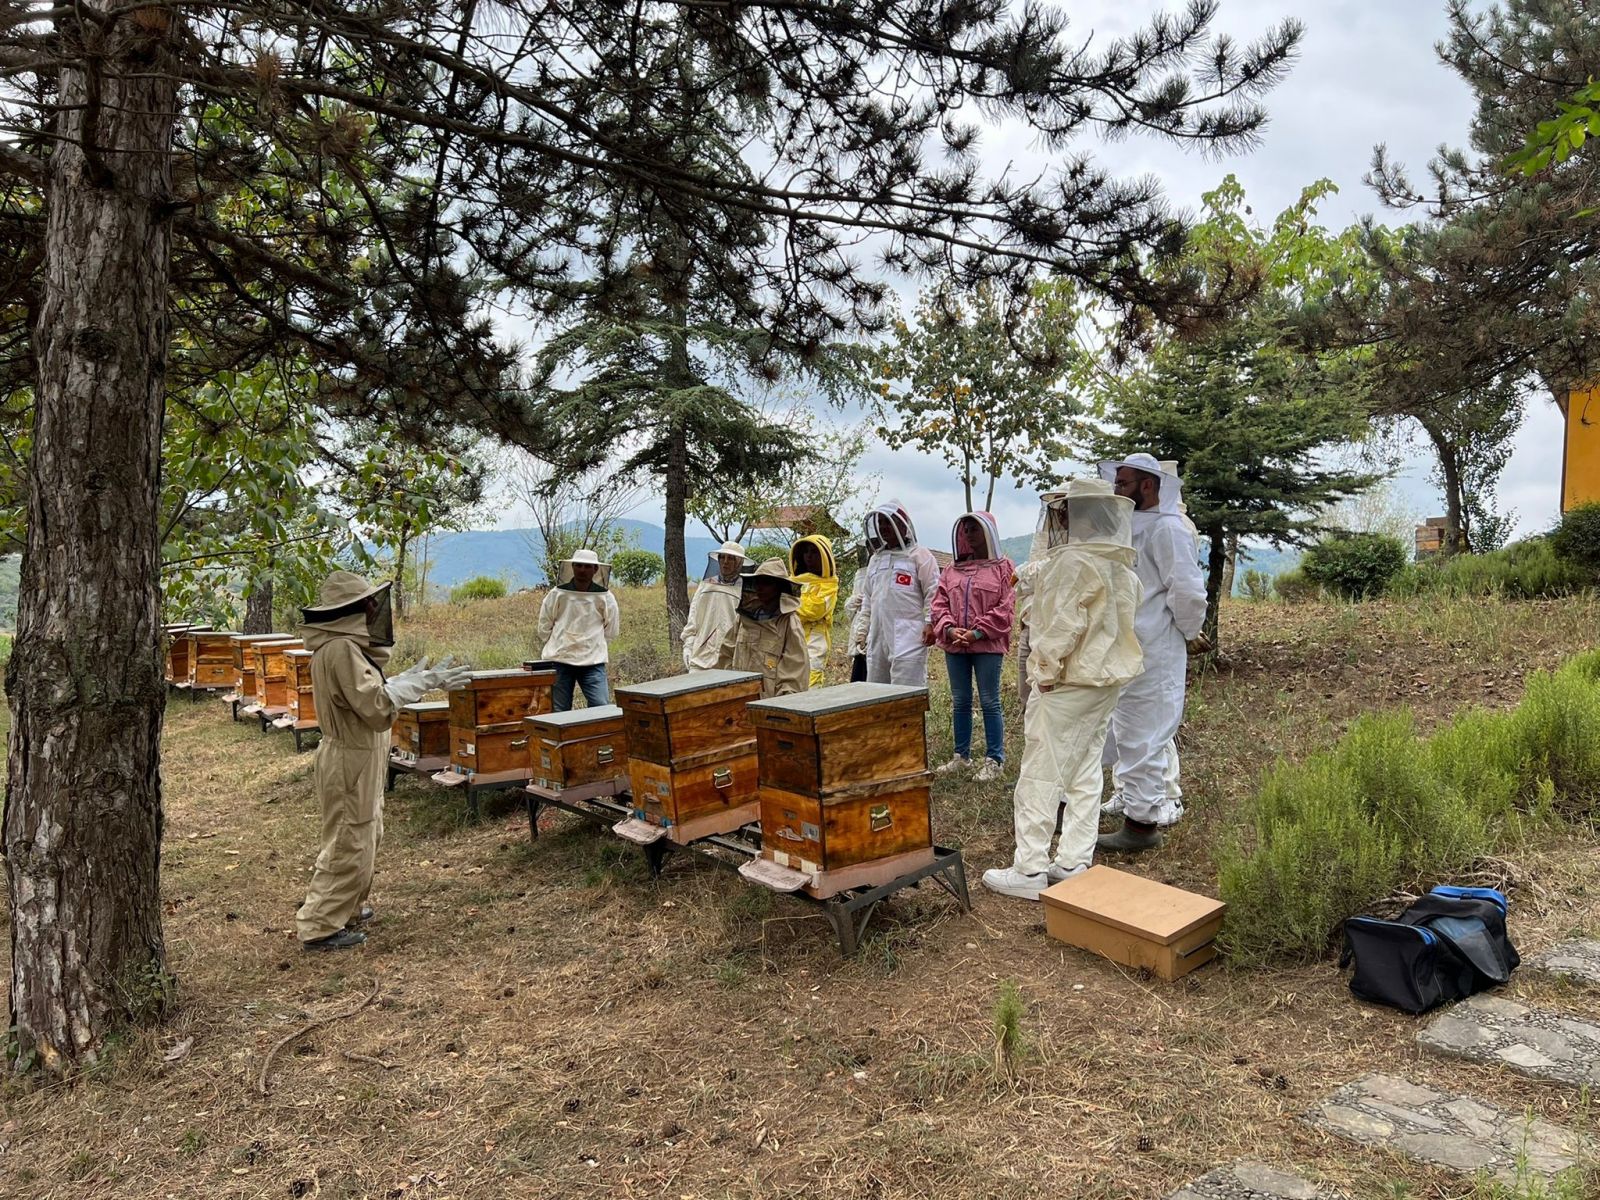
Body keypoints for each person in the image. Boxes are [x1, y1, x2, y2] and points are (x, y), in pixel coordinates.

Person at [982, 480, 1143, 900]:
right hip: (1104, 682)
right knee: (1086, 771)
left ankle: (1030, 868)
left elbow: (1059, 626)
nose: (1060, 518)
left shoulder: (1073, 562)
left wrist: (1044, 671)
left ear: (1078, 514)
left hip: (1067, 682)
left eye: (1066, 511)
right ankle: (1073, 861)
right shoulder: (1118, 564)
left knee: (1040, 772)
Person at [295, 571, 472, 950]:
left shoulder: (341, 647)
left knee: (366, 832)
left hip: (359, 755)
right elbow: (375, 707)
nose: (376, 608)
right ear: (352, 610)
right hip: (351, 756)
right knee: (349, 837)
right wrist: (418, 684)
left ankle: (348, 906)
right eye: (368, 603)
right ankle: (321, 925)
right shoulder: (340, 648)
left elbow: (368, 695)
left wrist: (405, 680)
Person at [1095, 453, 1208, 853]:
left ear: (1148, 485)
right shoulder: (1131, 525)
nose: (1117, 489)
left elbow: (1189, 592)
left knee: (1147, 729)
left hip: (1156, 645)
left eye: (1124, 483)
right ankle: (1131, 799)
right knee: (1125, 724)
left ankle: (1142, 825)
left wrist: (1188, 632)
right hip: (1126, 644)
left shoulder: (1169, 529)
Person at [930, 512, 1015, 782]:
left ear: (989, 532)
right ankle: (961, 756)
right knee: (961, 700)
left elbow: (1007, 607)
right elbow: (938, 604)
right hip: (955, 644)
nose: (968, 534)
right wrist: (949, 628)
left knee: (990, 700)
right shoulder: (951, 570)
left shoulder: (1004, 568)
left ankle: (994, 759)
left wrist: (978, 632)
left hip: (987, 645)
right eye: (965, 530)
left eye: (974, 529)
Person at [859, 501, 939, 686]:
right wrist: (862, 631)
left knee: (906, 693)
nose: (884, 527)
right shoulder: (875, 560)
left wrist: (930, 623)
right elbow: (867, 599)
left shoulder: (920, 556)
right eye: (881, 523)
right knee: (876, 692)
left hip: (910, 636)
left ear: (903, 524)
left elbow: (933, 592)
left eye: (889, 522)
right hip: (878, 635)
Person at [536, 548, 622, 711]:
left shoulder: (605, 597)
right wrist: (558, 643)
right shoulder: (557, 594)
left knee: (601, 708)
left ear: (595, 569)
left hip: (593, 661)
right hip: (561, 659)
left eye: (587, 566)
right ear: (573, 567)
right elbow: (544, 625)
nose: (582, 570)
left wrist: (593, 644)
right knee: (559, 711)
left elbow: (611, 630)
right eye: (579, 565)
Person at [718, 558, 810, 698]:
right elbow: (726, 656)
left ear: (779, 587)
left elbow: (794, 673)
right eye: (758, 582)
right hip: (738, 699)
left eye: (767, 583)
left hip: (769, 704)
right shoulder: (743, 619)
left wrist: (783, 707)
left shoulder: (789, 622)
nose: (760, 587)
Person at [681, 541, 749, 671]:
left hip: (731, 660)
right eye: (722, 557)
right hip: (701, 657)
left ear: (739, 562)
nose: (725, 562)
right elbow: (694, 617)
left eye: (731, 558)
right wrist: (688, 643)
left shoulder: (746, 590)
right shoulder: (706, 586)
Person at [788, 535, 839, 688]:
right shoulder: (792, 581)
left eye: (814, 552)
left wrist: (791, 604)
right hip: (791, 635)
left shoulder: (829, 585)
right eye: (806, 552)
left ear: (824, 556)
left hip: (815, 639)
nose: (809, 556)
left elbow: (815, 609)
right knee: (790, 680)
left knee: (811, 683)